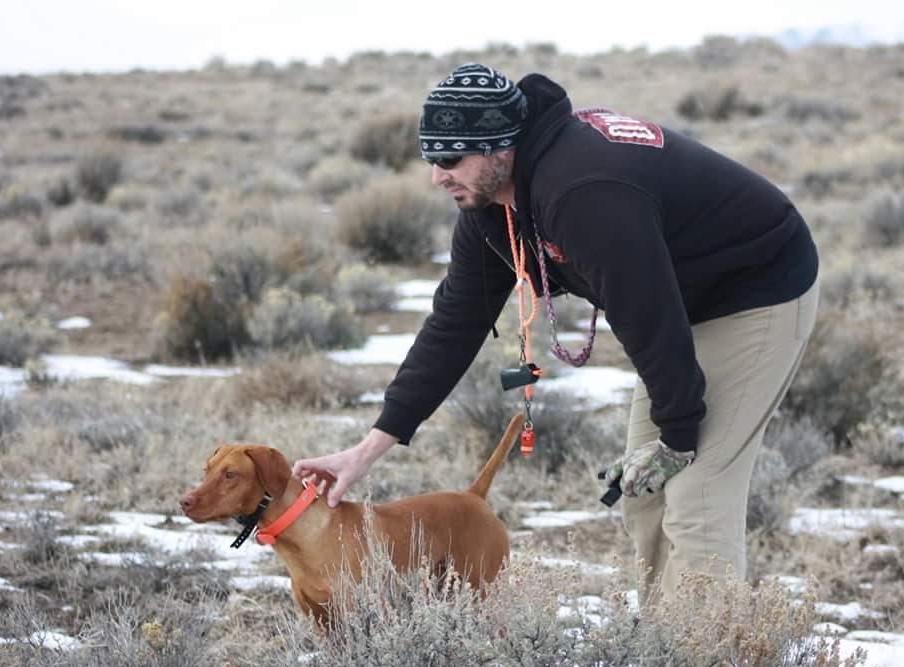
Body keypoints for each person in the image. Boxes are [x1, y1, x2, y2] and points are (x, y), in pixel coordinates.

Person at [293, 63, 819, 605]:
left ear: (501, 148)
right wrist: (368, 448)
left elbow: (646, 313)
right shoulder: (489, 206)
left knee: (697, 490)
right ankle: (673, 659)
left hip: (757, 289)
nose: (437, 177)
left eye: (450, 159)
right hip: (682, 302)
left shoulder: (583, 192)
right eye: (431, 160)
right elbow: (454, 323)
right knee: (646, 491)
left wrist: (679, 434)